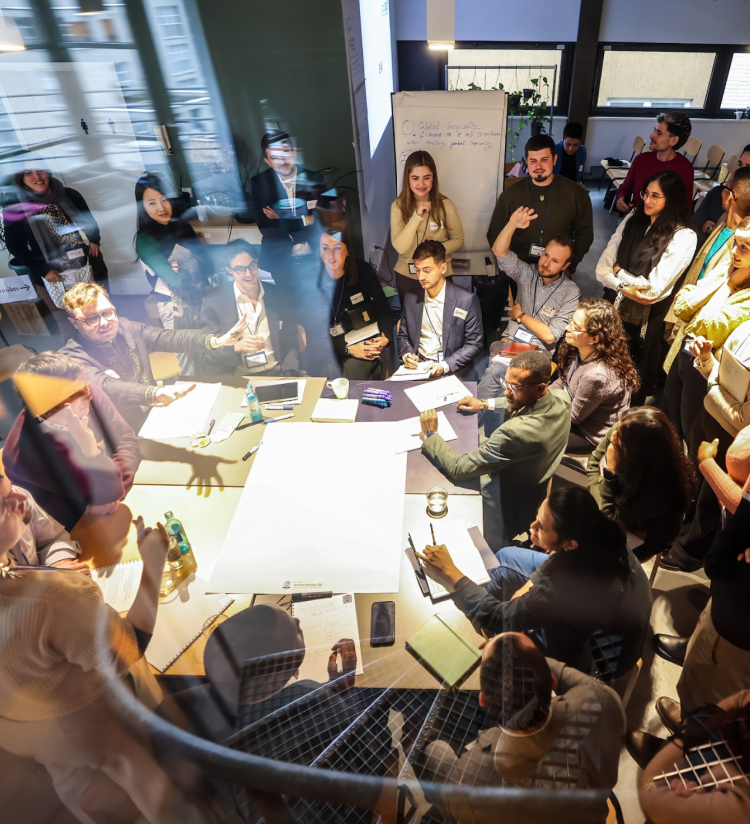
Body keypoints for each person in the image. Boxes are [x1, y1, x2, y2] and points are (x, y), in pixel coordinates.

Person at [0, 508, 210, 823]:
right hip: (115, 734)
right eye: (4, 499)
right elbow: (129, 648)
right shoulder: (50, 598)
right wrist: (152, 562)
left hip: (51, 750)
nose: (19, 497)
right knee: (170, 805)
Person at [416, 488, 652, 677]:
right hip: (611, 613)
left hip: (596, 659)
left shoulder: (565, 589)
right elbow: (554, 573)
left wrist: (450, 571)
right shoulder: (600, 530)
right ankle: (482, 604)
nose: (532, 527)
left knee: (498, 625)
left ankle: (482, 619)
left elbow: (501, 617)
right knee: (506, 557)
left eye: (542, 528)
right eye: (537, 517)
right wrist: (527, 595)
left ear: (570, 544)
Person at [421, 632, 624, 811]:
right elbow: (567, 676)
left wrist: (503, 655)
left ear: (482, 700)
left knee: (435, 750)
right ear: (551, 682)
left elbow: (453, 800)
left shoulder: (470, 778)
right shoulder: (605, 702)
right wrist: (522, 658)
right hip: (586, 813)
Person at [420, 350, 571, 548]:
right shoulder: (561, 399)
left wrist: (431, 435)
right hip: (534, 492)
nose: (507, 392)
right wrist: (483, 403)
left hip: (505, 501)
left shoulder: (514, 433)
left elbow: (460, 468)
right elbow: (526, 406)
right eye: (505, 384)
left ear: (540, 388)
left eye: (514, 387)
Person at [60, 282, 248, 429]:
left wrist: (218, 340)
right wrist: (154, 393)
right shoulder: (72, 357)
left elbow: (168, 337)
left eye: (107, 313)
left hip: (152, 412)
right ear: (74, 323)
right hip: (117, 430)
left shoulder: (127, 327)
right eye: (92, 318)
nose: (104, 323)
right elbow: (106, 386)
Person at [4, 352, 141, 532]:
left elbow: (125, 439)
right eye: (73, 393)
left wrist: (117, 487)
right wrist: (91, 452)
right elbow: (90, 499)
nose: (88, 395)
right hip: (75, 526)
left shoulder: (87, 391)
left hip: (110, 501)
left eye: (84, 385)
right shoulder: (24, 455)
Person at [596, 169, 696, 404]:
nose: (647, 201)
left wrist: (619, 272)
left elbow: (652, 291)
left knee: (631, 378)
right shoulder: (633, 218)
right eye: (646, 193)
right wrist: (624, 285)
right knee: (602, 367)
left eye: (655, 196)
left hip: (646, 322)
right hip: (612, 307)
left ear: (671, 199)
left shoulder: (684, 236)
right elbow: (601, 268)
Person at [654, 436, 750, 679]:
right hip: (736, 528)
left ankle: (701, 652)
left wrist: (707, 464)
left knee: (713, 667)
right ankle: (705, 626)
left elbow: (744, 506)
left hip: (741, 537)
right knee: (720, 588)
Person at [661, 318, 750, 572]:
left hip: (734, 436)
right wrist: (707, 359)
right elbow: (722, 373)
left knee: (712, 496)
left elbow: (744, 419)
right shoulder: (746, 326)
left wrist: (712, 389)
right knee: (695, 477)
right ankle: (681, 531)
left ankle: (690, 552)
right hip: (710, 415)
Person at [662, 216, 750, 448]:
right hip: (686, 351)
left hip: (706, 372)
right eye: (735, 242)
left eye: (745, 247)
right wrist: (726, 281)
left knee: (690, 438)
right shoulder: (728, 269)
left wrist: (728, 285)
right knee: (666, 424)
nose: (735, 251)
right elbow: (681, 305)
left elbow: (706, 327)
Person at [4, 167, 108, 340]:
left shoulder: (70, 195)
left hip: (86, 265)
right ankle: (75, 362)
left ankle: (109, 349)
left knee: (99, 312)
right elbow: (15, 246)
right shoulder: (16, 209)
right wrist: (43, 270)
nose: (36, 176)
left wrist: (94, 239)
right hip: (51, 275)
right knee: (66, 321)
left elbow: (88, 221)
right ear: (21, 178)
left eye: (39, 170)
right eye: (28, 173)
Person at [587, 408, 697, 563]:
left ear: (637, 452)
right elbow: (592, 464)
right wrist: (603, 487)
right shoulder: (624, 428)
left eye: (618, 438)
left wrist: (610, 472)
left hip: (647, 539)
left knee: (590, 549)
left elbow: (610, 521)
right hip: (622, 515)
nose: (612, 436)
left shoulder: (662, 488)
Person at [299, 206, 392, 379]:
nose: (331, 254)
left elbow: (382, 308)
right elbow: (314, 332)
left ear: (347, 250)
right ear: (319, 252)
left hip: (363, 338)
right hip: (327, 345)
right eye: (325, 248)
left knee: (353, 374)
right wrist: (348, 348)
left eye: (337, 247)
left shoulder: (362, 270)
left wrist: (385, 337)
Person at [636, 691, 750, 823]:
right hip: (731, 740)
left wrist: (685, 736)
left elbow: (650, 790)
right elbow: (743, 697)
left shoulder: (738, 811)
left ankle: (667, 750)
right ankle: (669, 747)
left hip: (724, 787)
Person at [486, 134, 594, 273]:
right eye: (533, 161)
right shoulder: (510, 195)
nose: (538, 166)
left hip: (557, 271)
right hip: (518, 269)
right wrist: (510, 266)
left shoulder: (576, 195)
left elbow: (584, 235)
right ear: (527, 163)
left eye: (544, 160)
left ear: (554, 159)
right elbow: (494, 234)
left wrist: (570, 266)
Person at [200, 239, 300, 377]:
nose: (249, 274)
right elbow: (208, 355)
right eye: (240, 269)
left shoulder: (279, 296)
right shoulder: (214, 303)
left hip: (278, 373)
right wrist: (236, 347)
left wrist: (290, 372)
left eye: (252, 265)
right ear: (229, 270)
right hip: (239, 378)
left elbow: (291, 339)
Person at [549, 299, 639, 453]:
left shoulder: (596, 375)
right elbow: (562, 381)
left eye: (575, 327)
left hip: (591, 435)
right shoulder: (579, 350)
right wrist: (541, 396)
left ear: (594, 338)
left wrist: (540, 410)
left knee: (532, 434)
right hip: (574, 413)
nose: (567, 328)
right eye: (571, 322)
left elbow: (574, 417)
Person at [248, 131, 326, 304]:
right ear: (267, 161)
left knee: (315, 305)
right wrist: (304, 220)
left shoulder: (315, 179)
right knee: (286, 309)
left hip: (311, 258)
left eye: (285, 153)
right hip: (278, 260)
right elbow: (266, 227)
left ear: (294, 152)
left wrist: (281, 221)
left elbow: (321, 220)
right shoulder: (259, 183)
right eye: (274, 157)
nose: (282, 161)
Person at [489, 207, 581, 352]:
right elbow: (499, 251)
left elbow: (551, 335)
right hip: (511, 340)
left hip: (539, 350)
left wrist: (520, 315)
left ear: (566, 265)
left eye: (555, 261)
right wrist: (512, 224)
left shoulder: (570, 292)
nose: (546, 263)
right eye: (546, 255)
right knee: (493, 371)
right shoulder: (528, 272)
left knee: (518, 372)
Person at [135, 172, 214, 334]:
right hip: (174, 306)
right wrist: (196, 263)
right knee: (187, 355)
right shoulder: (145, 240)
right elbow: (178, 282)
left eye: (164, 200)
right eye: (152, 203)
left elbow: (211, 265)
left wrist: (186, 266)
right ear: (142, 207)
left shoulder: (181, 226)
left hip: (202, 296)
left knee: (213, 349)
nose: (161, 208)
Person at [397, 240, 482, 381]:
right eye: (417, 270)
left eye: (427, 270)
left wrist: (445, 365)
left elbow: (474, 344)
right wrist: (406, 354)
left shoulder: (465, 300)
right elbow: (403, 335)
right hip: (419, 366)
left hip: (452, 368)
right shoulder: (411, 297)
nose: (421, 277)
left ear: (443, 268)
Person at [390, 150, 464, 302]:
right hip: (408, 277)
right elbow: (400, 247)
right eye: (415, 178)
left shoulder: (446, 205)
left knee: (443, 323)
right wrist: (416, 216)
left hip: (440, 276)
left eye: (427, 178)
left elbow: (458, 239)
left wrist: (435, 251)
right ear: (407, 179)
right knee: (413, 324)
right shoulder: (398, 206)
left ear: (433, 178)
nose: (421, 184)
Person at [1, 469, 89, 574]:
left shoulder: (18, 496)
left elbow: (53, 538)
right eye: (5, 503)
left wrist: (59, 565)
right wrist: (50, 581)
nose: (22, 498)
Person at [615, 112, 694, 211]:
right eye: (654, 131)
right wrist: (620, 198)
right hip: (635, 220)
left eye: (659, 133)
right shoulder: (641, 159)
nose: (651, 135)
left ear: (673, 141)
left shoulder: (684, 168)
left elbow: (685, 208)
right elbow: (625, 188)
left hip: (663, 224)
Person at [693, 144, 750, 244]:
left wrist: (710, 229)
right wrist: (709, 229)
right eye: (740, 165)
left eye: (748, 169)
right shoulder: (718, 193)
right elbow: (694, 225)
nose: (740, 171)